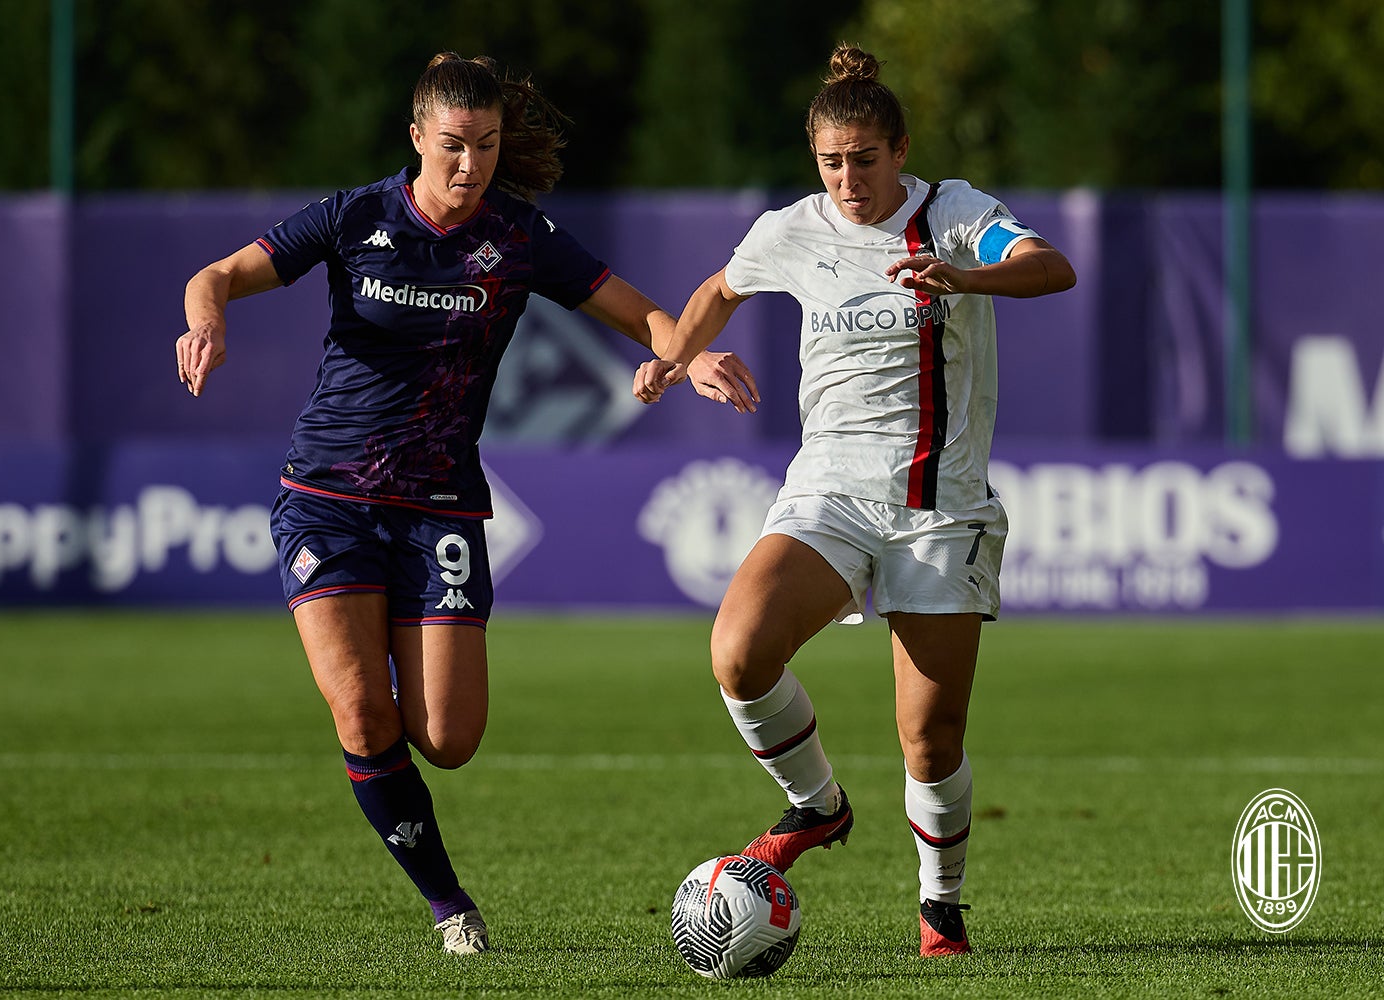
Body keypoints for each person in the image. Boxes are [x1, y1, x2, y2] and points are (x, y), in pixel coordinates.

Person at [175, 53, 754, 956]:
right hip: (325, 497)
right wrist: (206, 318)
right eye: (451, 145)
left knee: (448, 737)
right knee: (365, 713)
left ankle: (380, 759)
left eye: (485, 146)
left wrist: (689, 356)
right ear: (416, 138)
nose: (469, 165)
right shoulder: (354, 216)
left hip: (440, 503)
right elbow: (213, 275)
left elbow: (644, 316)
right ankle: (451, 907)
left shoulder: (521, 236)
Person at [634, 43, 1076, 957]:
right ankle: (817, 805)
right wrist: (678, 357)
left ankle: (940, 904)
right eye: (832, 162)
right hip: (828, 490)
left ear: (900, 150)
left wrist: (965, 278)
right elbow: (720, 288)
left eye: (864, 160)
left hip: (938, 504)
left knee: (929, 739)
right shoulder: (791, 229)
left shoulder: (954, 216)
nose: (847, 180)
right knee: (739, 652)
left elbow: (1050, 266)